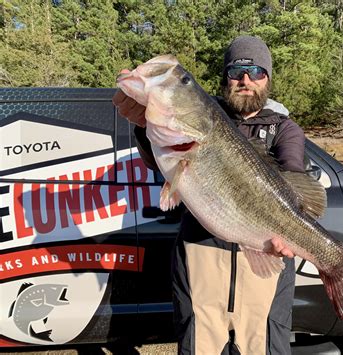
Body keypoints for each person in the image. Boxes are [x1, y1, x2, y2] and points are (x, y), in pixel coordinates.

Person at [113, 35, 306, 355]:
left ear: (268, 78)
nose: (246, 80)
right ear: (224, 77)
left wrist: (292, 229)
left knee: (266, 345)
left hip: (264, 265)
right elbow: (162, 161)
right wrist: (144, 125)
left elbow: (294, 177)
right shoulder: (203, 114)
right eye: (237, 71)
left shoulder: (285, 129)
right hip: (201, 261)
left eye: (257, 72)